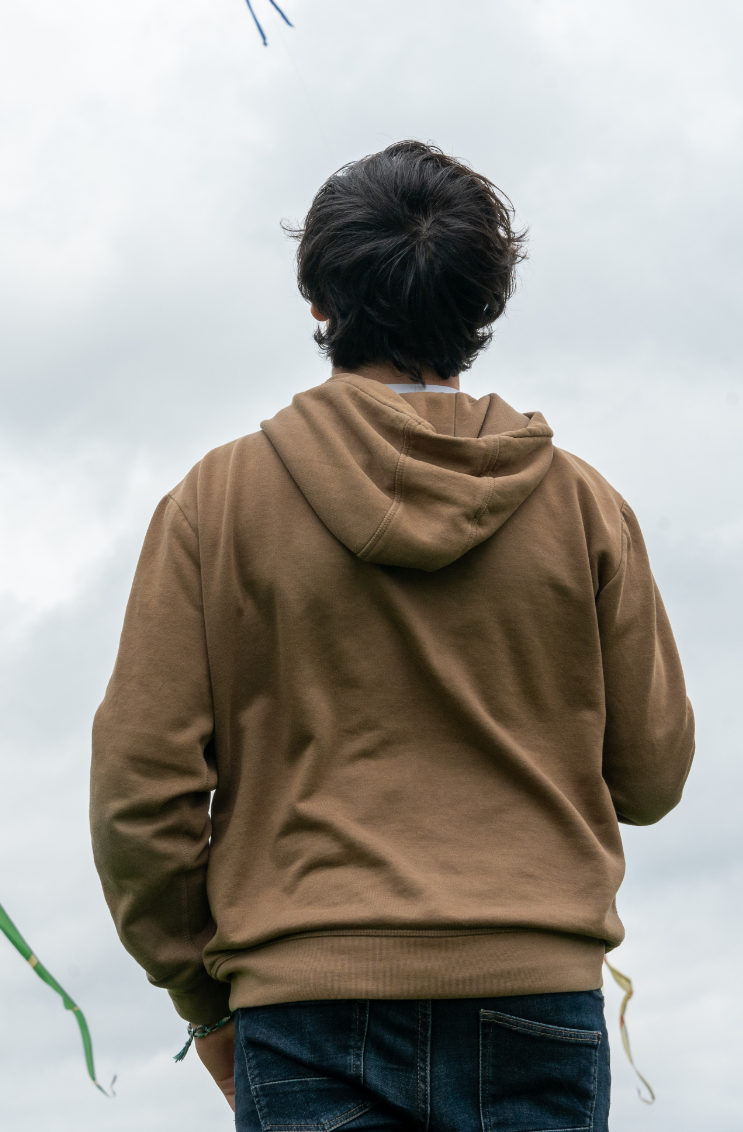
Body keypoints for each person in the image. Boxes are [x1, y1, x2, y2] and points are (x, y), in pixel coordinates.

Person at [88, 140, 695, 1131]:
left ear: (317, 300)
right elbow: (653, 777)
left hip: (304, 1006)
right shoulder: (584, 506)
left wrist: (200, 995)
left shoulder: (215, 502)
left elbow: (139, 791)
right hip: (534, 999)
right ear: (482, 306)